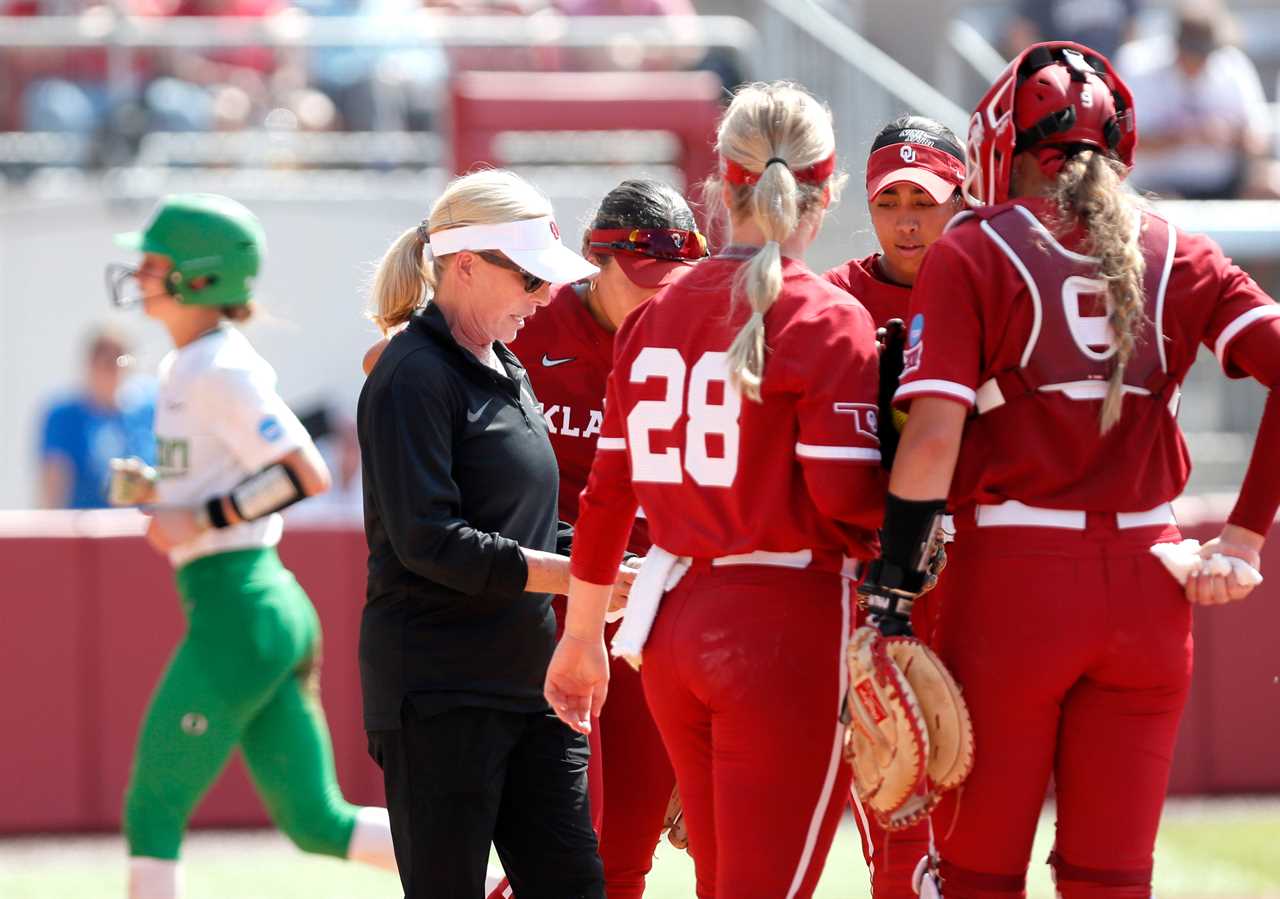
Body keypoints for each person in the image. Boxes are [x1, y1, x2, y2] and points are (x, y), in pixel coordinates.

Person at [863, 41, 1280, 898]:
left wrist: (891, 589)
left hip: (1014, 583)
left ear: (999, 145)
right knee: (1112, 880)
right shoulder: (1178, 246)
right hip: (1152, 582)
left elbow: (934, 435)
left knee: (977, 876)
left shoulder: (975, 246)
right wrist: (1243, 533)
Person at [544, 81, 886, 899]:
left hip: (673, 626)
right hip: (785, 622)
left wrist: (583, 635)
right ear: (827, 190)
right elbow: (848, 499)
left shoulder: (653, 316)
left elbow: (606, 496)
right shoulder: (827, 315)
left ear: (721, 184)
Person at [105, 193, 397, 899]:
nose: (139, 273)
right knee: (317, 822)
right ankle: (498, 878)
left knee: (152, 808)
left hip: (242, 607)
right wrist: (162, 492)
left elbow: (305, 470)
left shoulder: (217, 366)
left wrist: (200, 516)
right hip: (254, 606)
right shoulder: (189, 364)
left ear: (199, 277)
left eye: (155, 261)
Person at [358, 167, 636, 899]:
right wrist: (580, 580)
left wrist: (613, 563)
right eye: (531, 280)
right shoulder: (410, 375)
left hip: (529, 687)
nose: (546, 298)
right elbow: (431, 540)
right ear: (468, 265)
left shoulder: (506, 362)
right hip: (440, 694)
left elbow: (535, 522)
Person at [513, 178, 705, 898]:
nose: (661, 295)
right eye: (644, 277)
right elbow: (404, 366)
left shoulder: (694, 334)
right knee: (567, 841)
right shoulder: (530, 320)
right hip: (546, 606)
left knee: (627, 845)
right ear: (597, 259)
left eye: (674, 278)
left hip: (651, 611)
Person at [823, 114, 966, 899]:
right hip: (873, 584)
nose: (908, 218)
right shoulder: (833, 299)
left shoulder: (997, 286)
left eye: (927, 198)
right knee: (899, 803)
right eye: (890, 200)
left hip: (985, 574)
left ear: (961, 199)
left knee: (980, 817)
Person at [1116, 0, 1275, 200]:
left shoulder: (1232, 64)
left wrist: (1226, 134)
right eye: (1192, 51)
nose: (1198, 61)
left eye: (1204, 53)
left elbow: (1258, 141)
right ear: (1176, 44)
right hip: (1153, 188)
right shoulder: (1138, 62)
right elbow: (1120, 141)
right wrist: (1176, 137)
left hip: (1223, 186)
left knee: (1272, 183)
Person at [38, 326, 154, 509]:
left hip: (139, 528)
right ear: (90, 365)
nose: (114, 372)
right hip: (82, 530)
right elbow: (53, 483)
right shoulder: (64, 417)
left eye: (121, 362)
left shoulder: (148, 411)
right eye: (106, 363)